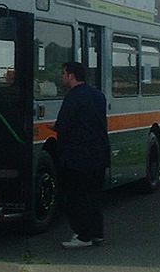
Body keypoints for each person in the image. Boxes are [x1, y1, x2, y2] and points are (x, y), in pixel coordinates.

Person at [54, 61, 110, 249]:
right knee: (94, 197)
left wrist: (54, 128)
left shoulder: (73, 98)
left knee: (76, 198)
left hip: (78, 156)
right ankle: (97, 233)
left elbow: (64, 125)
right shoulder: (98, 95)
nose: (62, 77)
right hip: (99, 154)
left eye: (63, 73)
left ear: (71, 75)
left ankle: (83, 235)